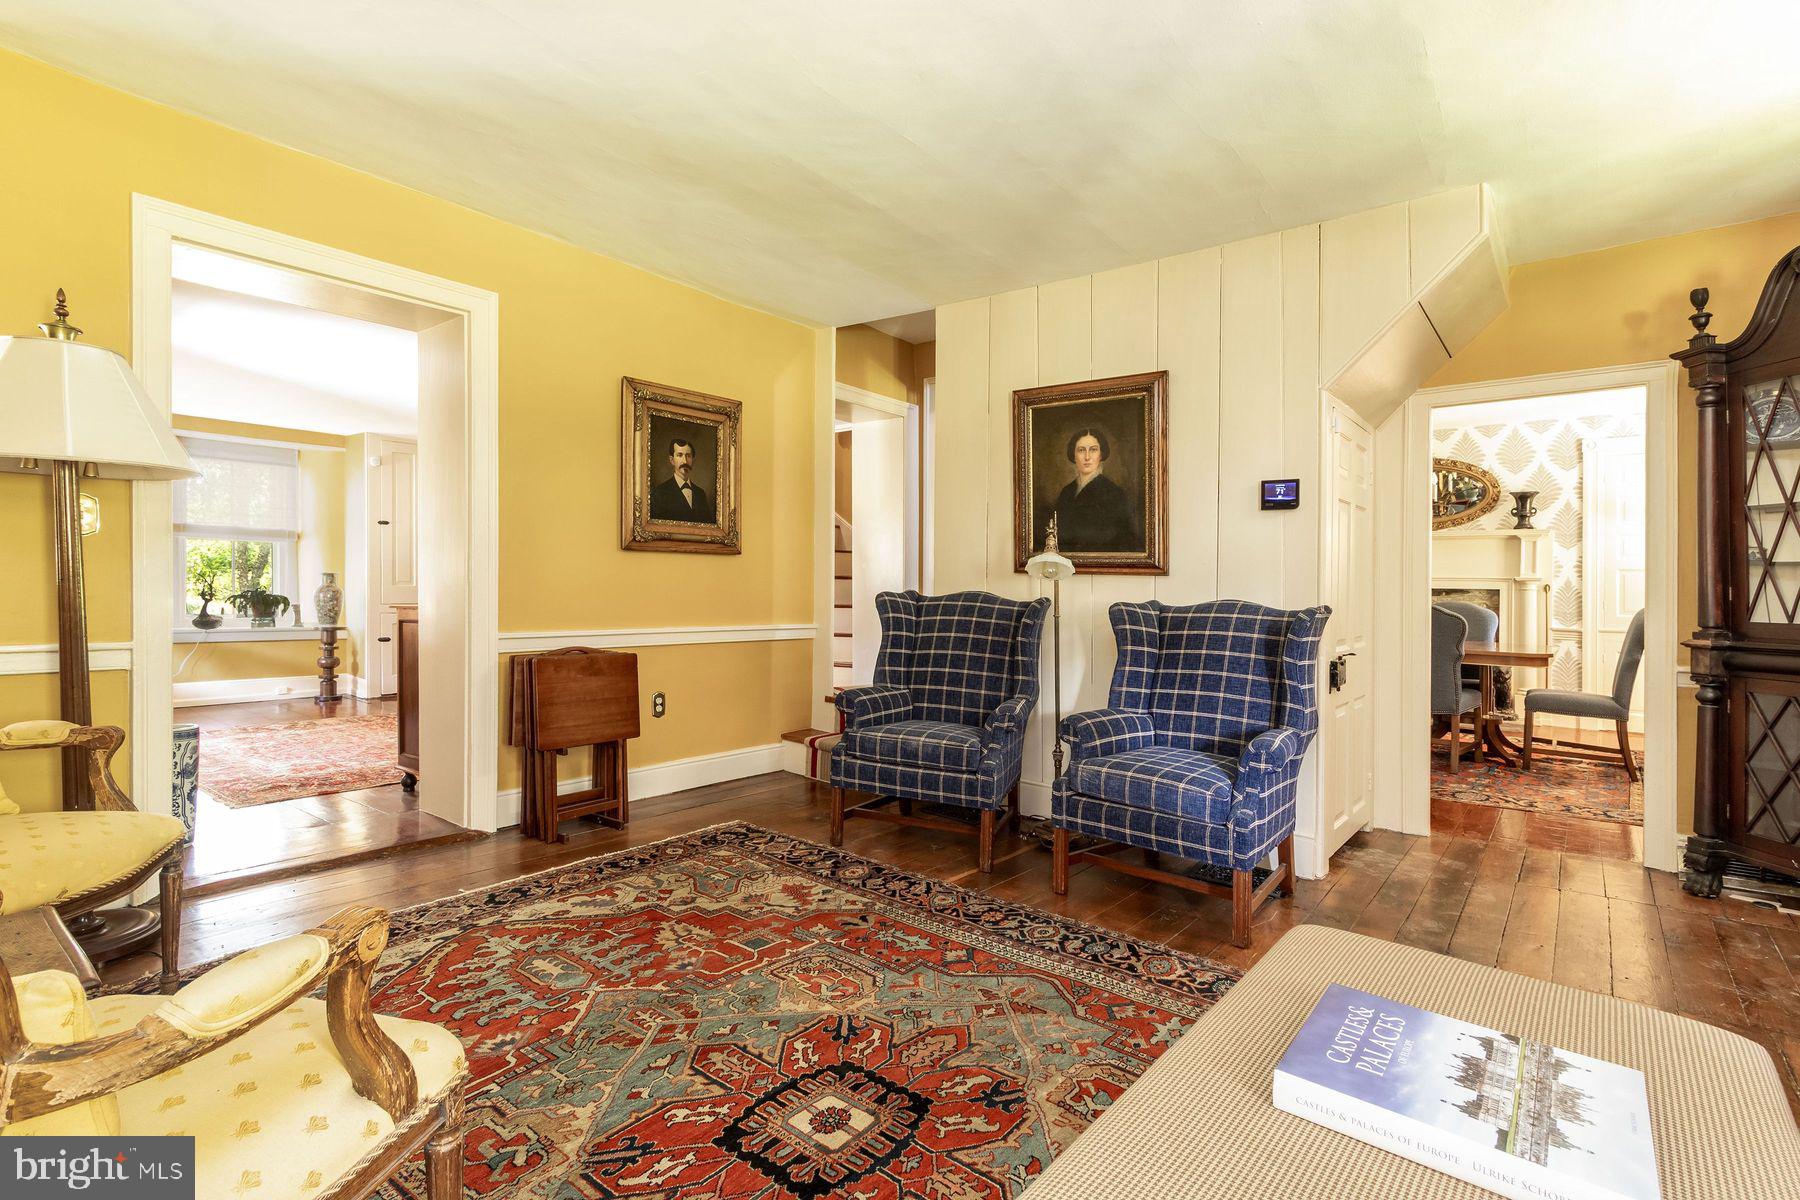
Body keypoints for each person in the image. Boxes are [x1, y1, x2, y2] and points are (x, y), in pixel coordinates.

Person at [1045, 427, 1135, 552]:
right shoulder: (1066, 492)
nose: (1087, 457)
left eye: (1093, 450)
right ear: (1073, 455)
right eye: (1081, 450)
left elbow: (1121, 541)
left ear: (1101, 454)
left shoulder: (1114, 494)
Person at [649, 437, 715, 522]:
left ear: (693, 460)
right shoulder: (659, 493)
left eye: (688, 456)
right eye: (680, 455)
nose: (685, 461)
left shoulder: (700, 494)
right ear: (672, 460)